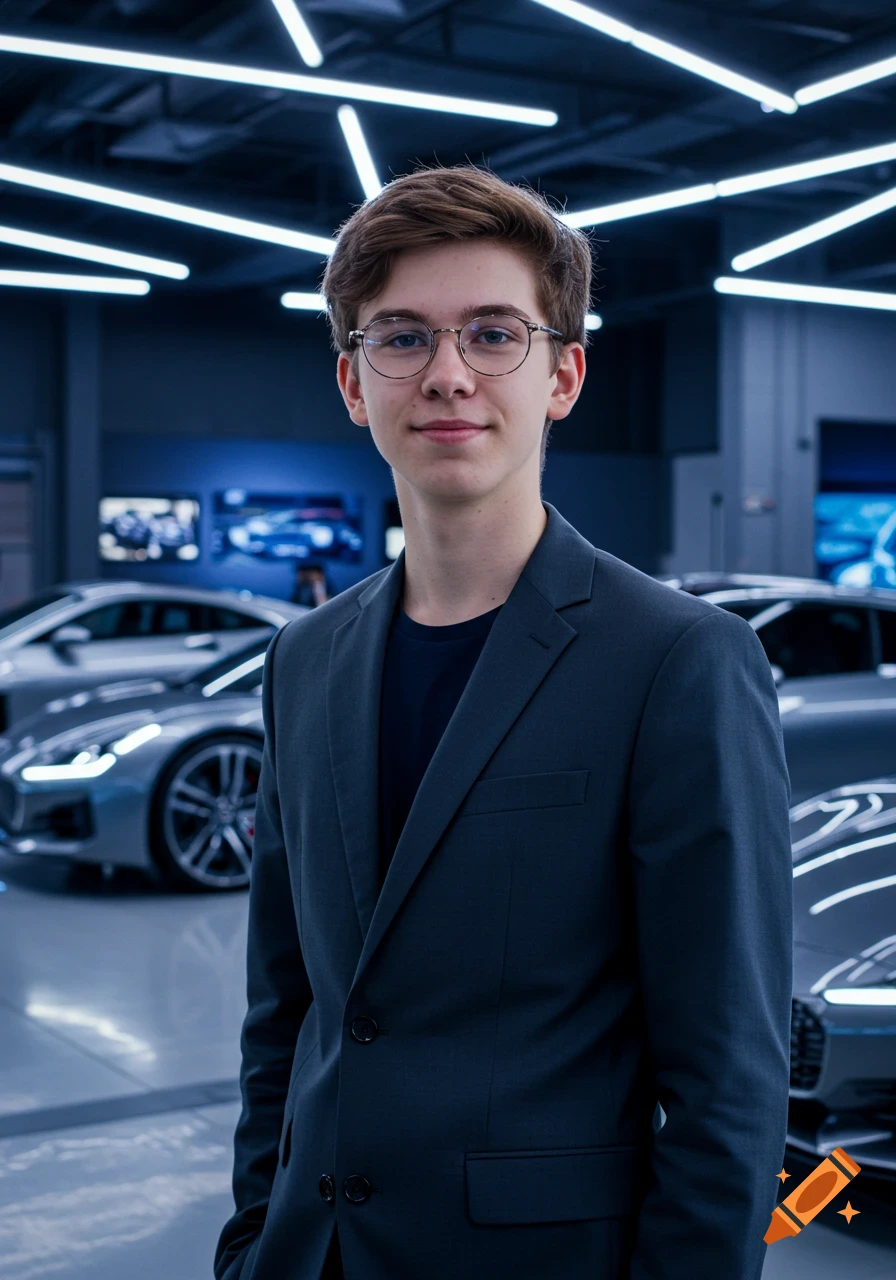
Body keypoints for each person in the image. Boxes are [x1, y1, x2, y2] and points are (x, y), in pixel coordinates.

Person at [214, 165, 793, 1280]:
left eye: (491, 334)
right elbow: (286, 1010)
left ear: (562, 372)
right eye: (399, 337)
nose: (444, 374)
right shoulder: (303, 659)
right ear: (351, 380)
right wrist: (252, 1235)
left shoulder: (678, 660)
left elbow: (726, 1079)